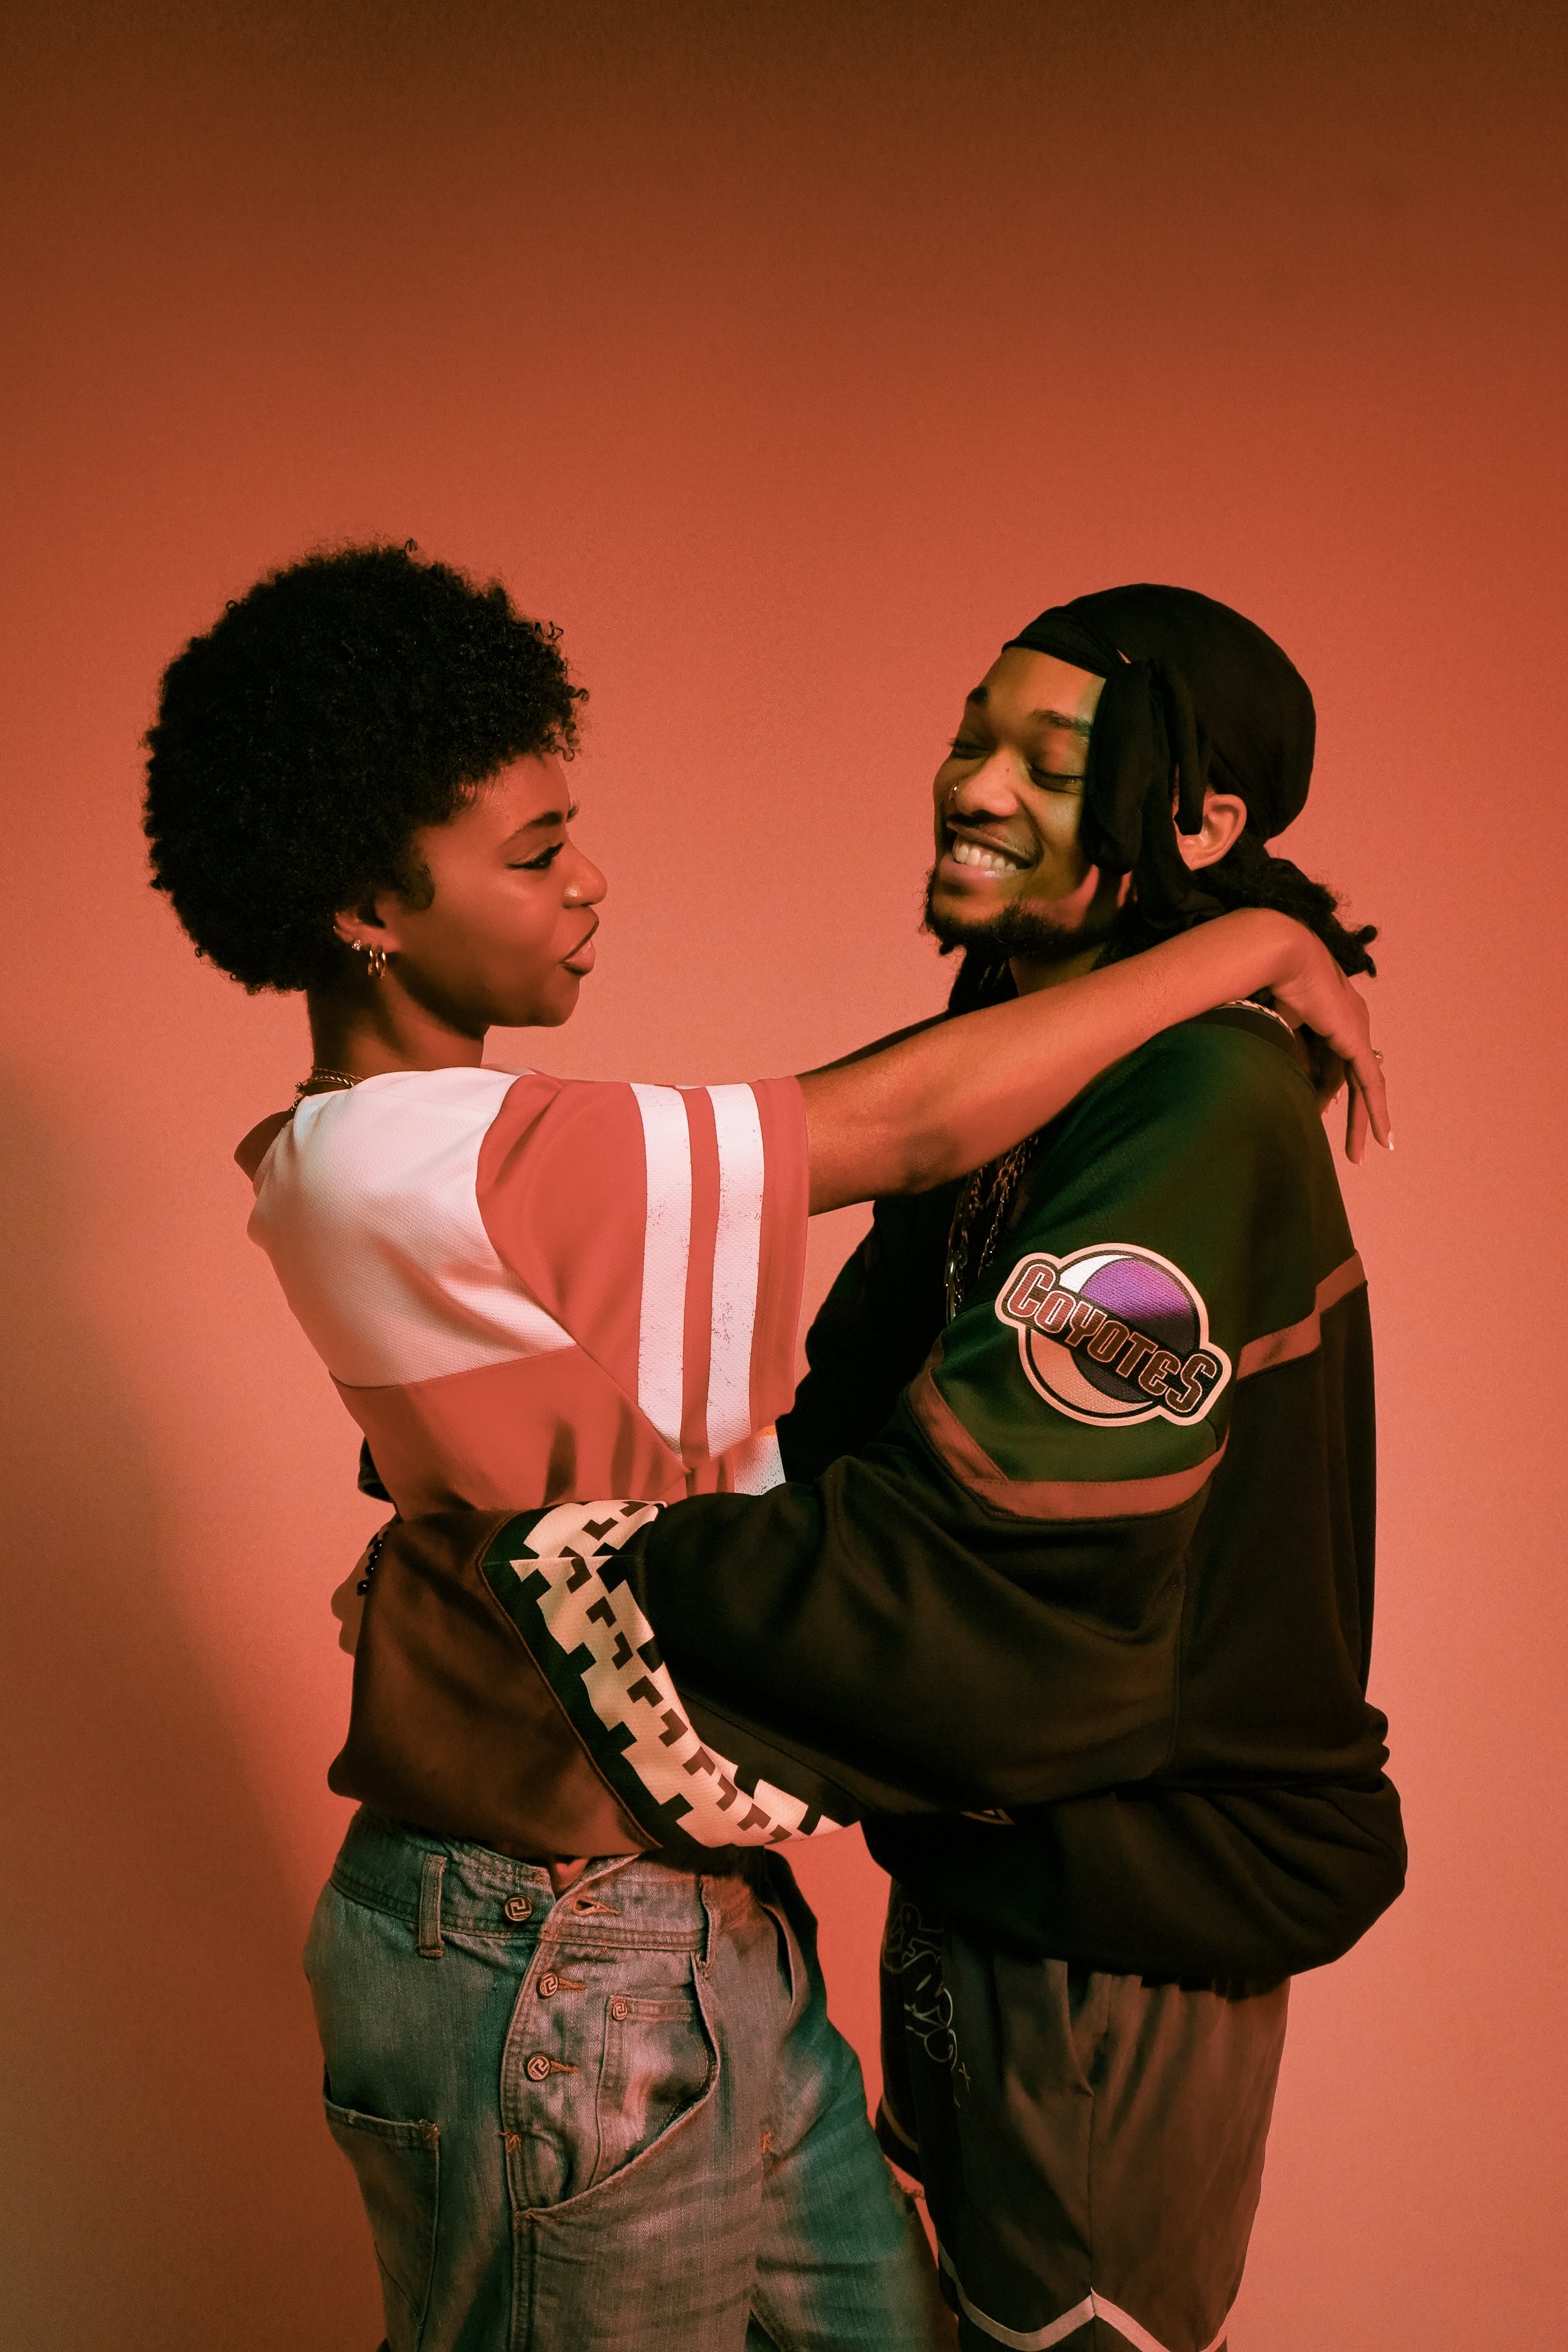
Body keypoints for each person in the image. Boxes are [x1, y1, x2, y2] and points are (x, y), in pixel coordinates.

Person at [144, 548, 1382, 2352]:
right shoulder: (439, 1157)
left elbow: (760, 1427)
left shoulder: (390, 1151)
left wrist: (492, 1568)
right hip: (542, 1937)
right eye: (532, 848)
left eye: (1041, 760)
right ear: (365, 908)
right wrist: (1256, 941)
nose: (587, 880)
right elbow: (890, 1122)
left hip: (677, 1916)